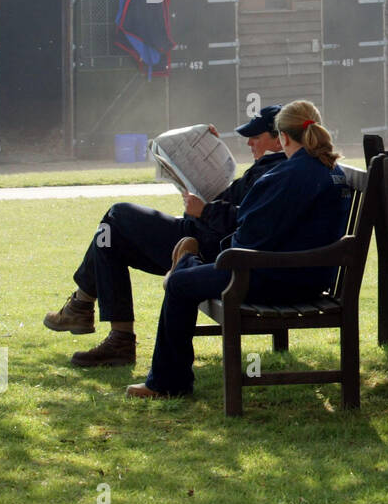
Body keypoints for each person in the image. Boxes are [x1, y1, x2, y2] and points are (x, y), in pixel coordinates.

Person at [127, 100, 352, 399]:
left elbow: (248, 241)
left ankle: (168, 382)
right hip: (313, 277)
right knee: (192, 273)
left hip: (277, 279)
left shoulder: (285, 177)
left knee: (180, 284)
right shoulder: (330, 170)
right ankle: (188, 263)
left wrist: (219, 252)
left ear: (283, 137)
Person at [43, 104, 286, 367]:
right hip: (203, 238)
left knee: (117, 215)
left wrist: (204, 210)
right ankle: (113, 336)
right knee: (110, 234)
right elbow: (236, 204)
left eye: (256, 137)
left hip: (202, 247)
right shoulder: (270, 167)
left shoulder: (275, 172)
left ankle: (88, 311)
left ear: (280, 137)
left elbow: (244, 220)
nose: (249, 143)